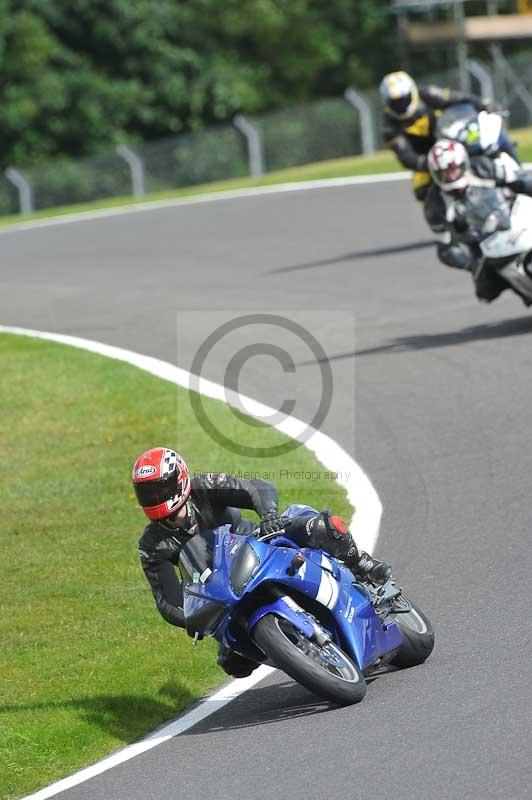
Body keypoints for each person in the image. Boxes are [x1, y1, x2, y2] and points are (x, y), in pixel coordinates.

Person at [132, 447, 392, 677]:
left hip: (260, 545)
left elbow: (255, 487)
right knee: (235, 664)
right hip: (225, 593)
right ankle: (305, 656)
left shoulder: (205, 486)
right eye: (147, 493)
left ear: (180, 479)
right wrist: (191, 618)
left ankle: (362, 566)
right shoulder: (152, 545)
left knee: (323, 527)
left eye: (161, 489)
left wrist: (268, 515)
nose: (155, 498)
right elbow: (167, 600)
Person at [379, 70, 498, 229]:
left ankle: (513, 180)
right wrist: (428, 163)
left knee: (489, 145)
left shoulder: (426, 94)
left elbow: (455, 98)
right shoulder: (389, 125)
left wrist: (481, 104)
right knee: (421, 188)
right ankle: (449, 224)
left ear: (412, 93)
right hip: (427, 158)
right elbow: (405, 156)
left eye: (403, 99)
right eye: (395, 102)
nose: (400, 104)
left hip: (453, 140)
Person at [426, 138, 532, 303]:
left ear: (463, 163)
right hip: (483, 246)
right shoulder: (436, 204)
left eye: (452, 169)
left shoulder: (482, 167)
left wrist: (524, 186)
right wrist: (471, 265)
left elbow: (518, 179)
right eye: (443, 173)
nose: (449, 175)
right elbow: (445, 248)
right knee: (485, 289)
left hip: (511, 217)